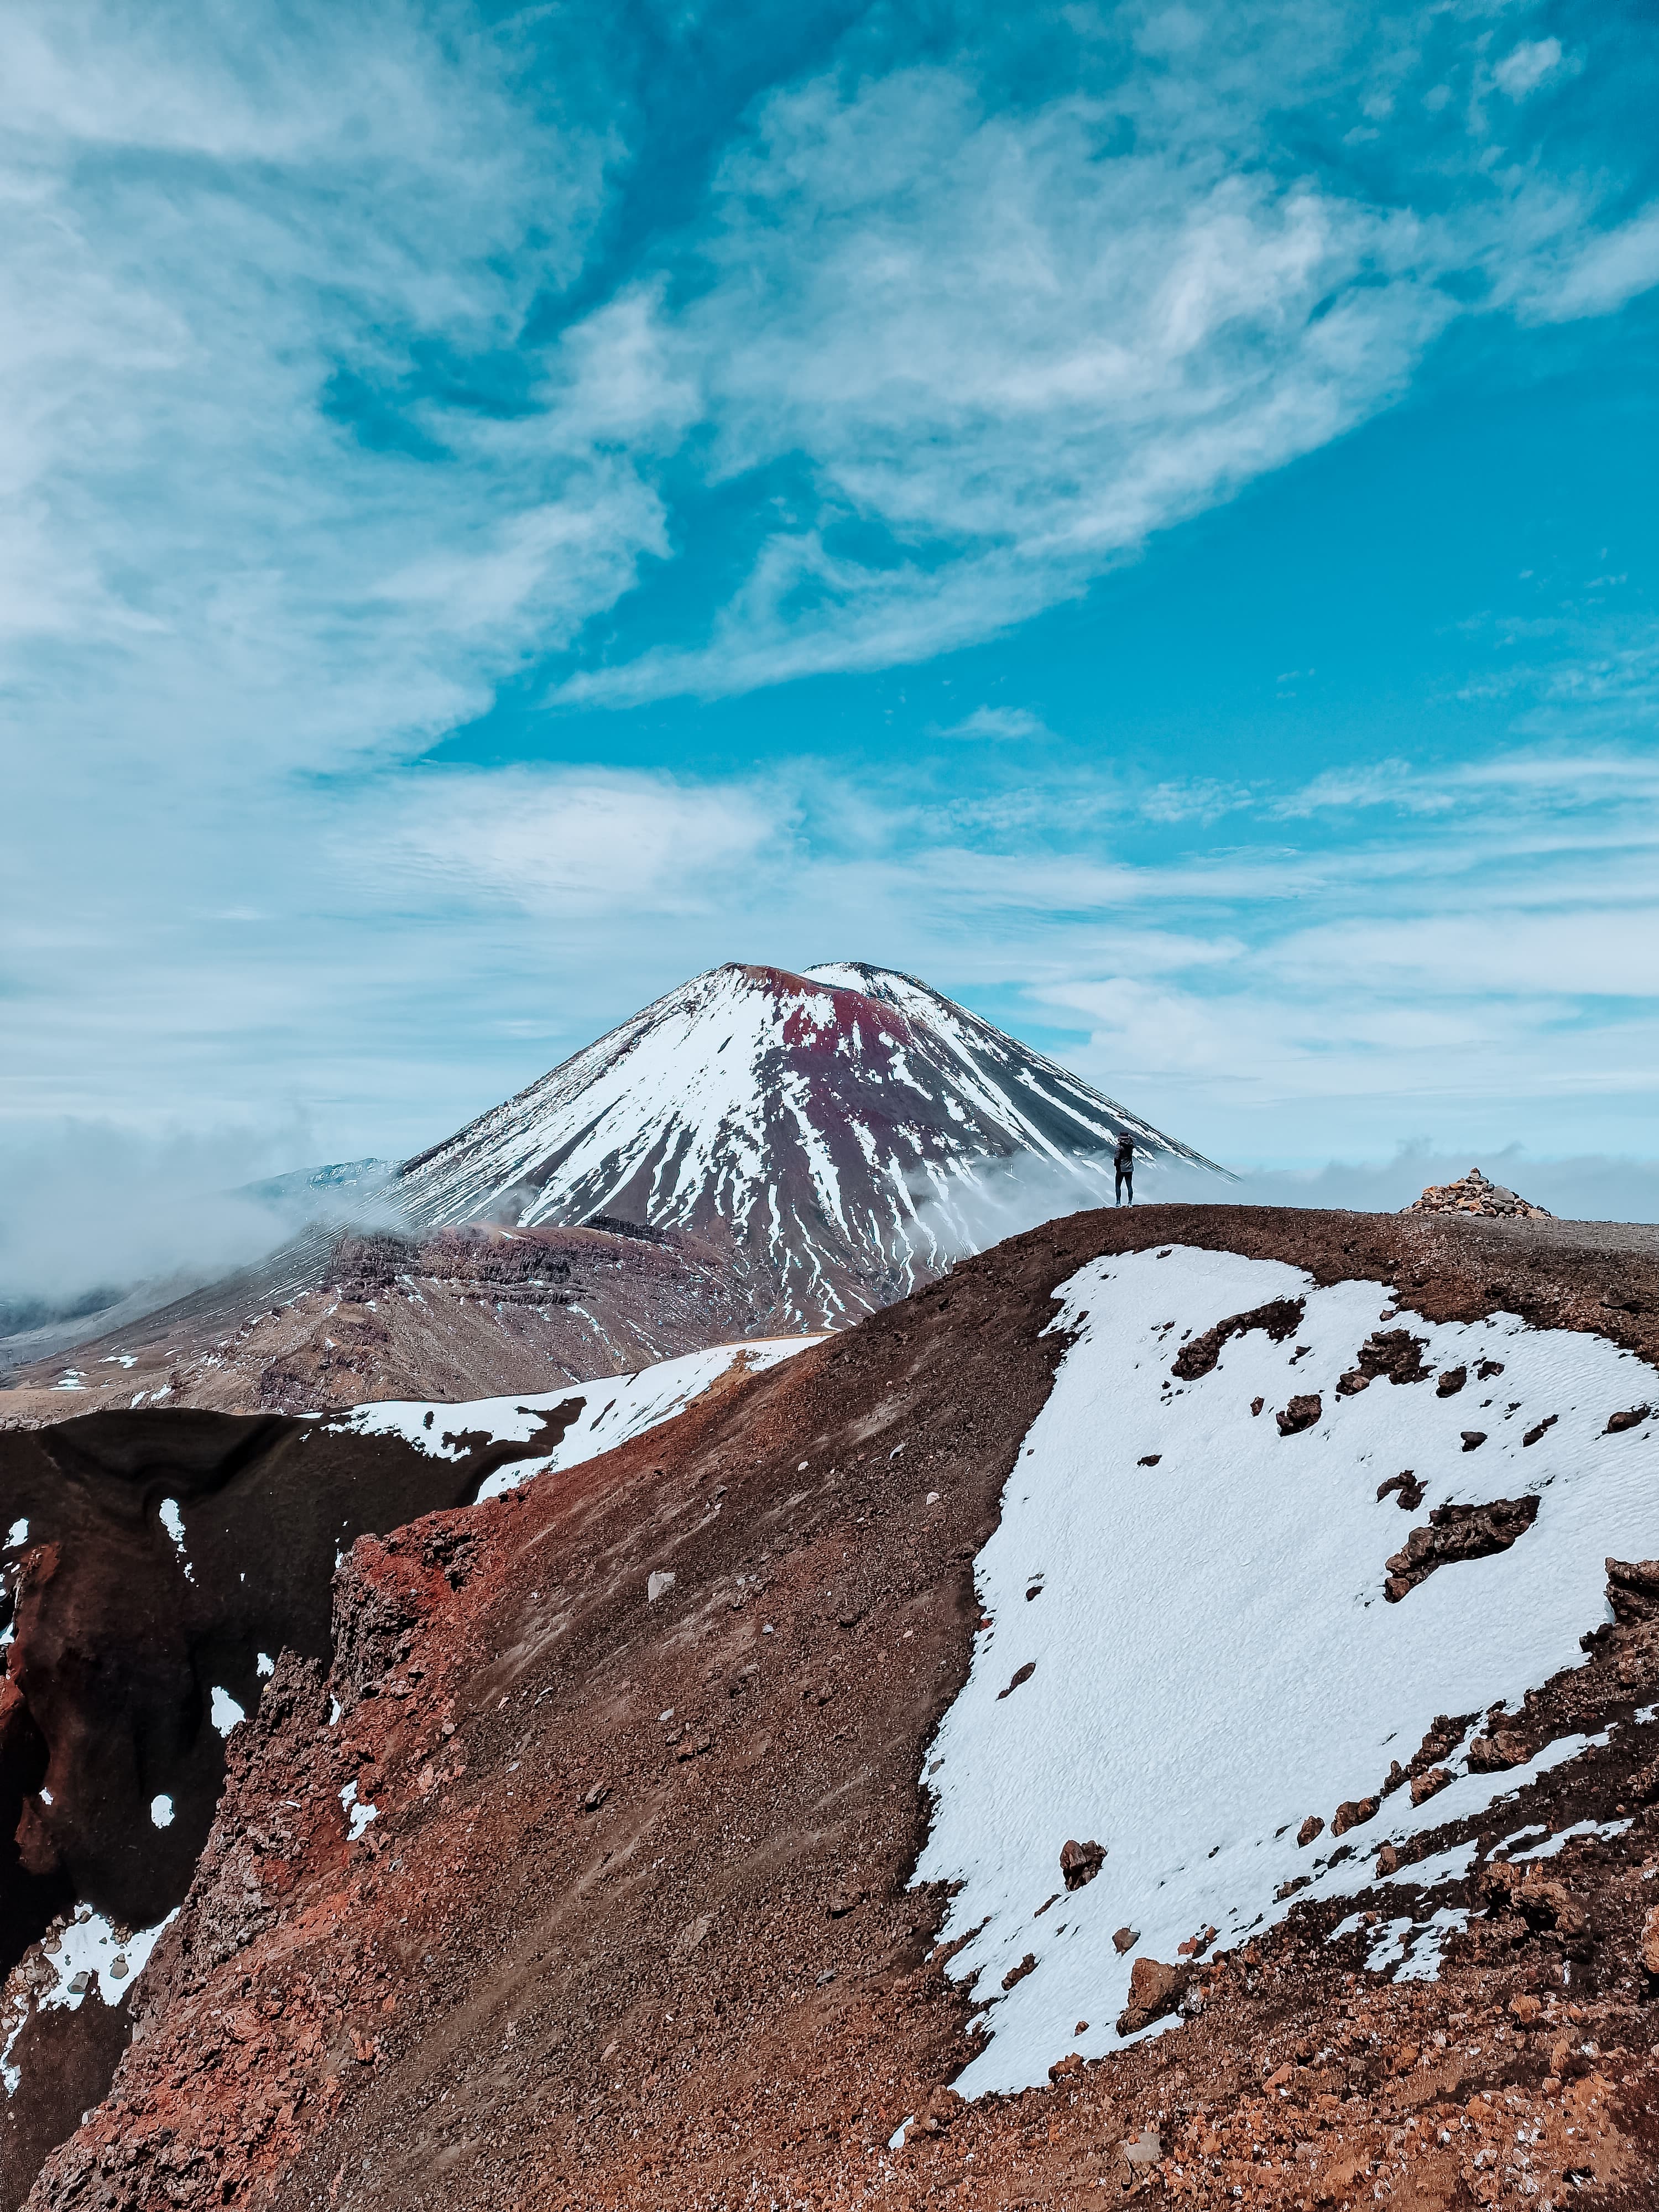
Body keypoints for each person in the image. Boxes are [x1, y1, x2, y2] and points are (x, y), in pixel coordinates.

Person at [1114, 1130, 1135, 1206]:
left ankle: (1118, 1202)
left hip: (1121, 1168)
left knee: (1118, 1185)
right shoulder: (1131, 1146)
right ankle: (1130, 1203)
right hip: (1130, 1167)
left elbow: (1117, 1158)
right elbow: (1132, 1142)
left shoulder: (1119, 1146)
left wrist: (1116, 1165)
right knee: (1129, 1186)